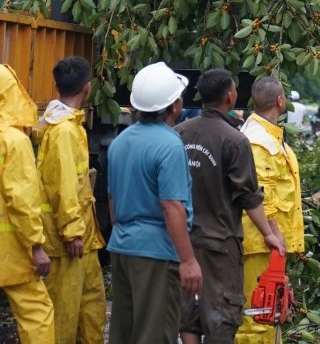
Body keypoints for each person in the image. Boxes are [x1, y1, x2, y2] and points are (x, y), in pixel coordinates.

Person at [175, 69, 284, 344]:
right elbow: (248, 195)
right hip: (221, 243)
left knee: (188, 310)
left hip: (183, 241)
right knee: (222, 314)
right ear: (230, 96)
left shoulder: (179, 134)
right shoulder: (235, 140)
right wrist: (268, 233)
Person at [107, 61, 201, 344]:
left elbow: (112, 199)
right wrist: (188, 260)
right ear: (175, 105)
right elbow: (172, 206)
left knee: (124, 333)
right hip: (156, 254)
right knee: (155, 334)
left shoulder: (120, 142)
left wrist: (126, 236)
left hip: (122, 247)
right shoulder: (170, 145)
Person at [37, 56, 106, 344]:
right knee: (64, 315)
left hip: (83, 239)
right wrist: (72, 231)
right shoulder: (64, 130)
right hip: (70, 241)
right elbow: (63, 185)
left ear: (56, 86)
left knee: (91, 307)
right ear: (87, 89)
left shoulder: (68, 125)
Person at [236, 77, 305, 344]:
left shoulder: (270, 138)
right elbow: (260, 196)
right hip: (260, 243)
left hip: (270, 244)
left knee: (270, 314)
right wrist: (273, 234)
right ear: (280, 100)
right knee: (257, 317)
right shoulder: (257, 142)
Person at [0, 63, 55, 343]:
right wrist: (36, 246)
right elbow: (20, 200)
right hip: (11, 249)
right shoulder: (14, 141)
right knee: (37, 313)